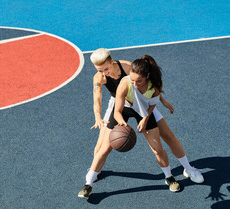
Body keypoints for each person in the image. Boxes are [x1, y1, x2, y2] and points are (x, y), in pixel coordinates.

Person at [78, 49, 203, 199]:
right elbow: (98, 99)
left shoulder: (129, 68)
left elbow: (152, 88)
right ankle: (89, 183)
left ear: (112, 61)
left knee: (165, 138)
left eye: (106, 68)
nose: (104, 72)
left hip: (143, 102)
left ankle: (183, 171)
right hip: (120, 102)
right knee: (102, 147)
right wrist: (101, 118)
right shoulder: (102, 78)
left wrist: (160, 103)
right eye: (99, 70)